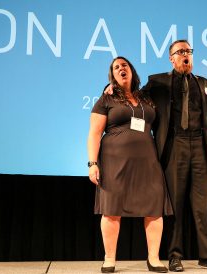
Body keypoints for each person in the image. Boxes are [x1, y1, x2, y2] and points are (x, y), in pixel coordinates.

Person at [141, 40, 207, 272]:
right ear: (171, 58)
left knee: (204, 204)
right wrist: (110, 90)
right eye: (180, 52)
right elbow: (135, 99)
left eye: (188, 51)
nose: (186, 55)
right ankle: (174, 255)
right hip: (174, 143)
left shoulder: (204, 83)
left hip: (200, 145)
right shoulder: (157, 81)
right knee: (176, 203)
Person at [87, 56, 173, 273]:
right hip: (114, 161)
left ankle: (153, 258)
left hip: (148, 161)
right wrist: (92, 163)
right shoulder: (106, 98)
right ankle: (109, 258)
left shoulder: (146, 96)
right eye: (116, 67)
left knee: (154, 208)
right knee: (112, 209)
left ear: (131, 70)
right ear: (112, 76)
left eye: (124, 65)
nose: (120, 68)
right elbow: (94, 134)